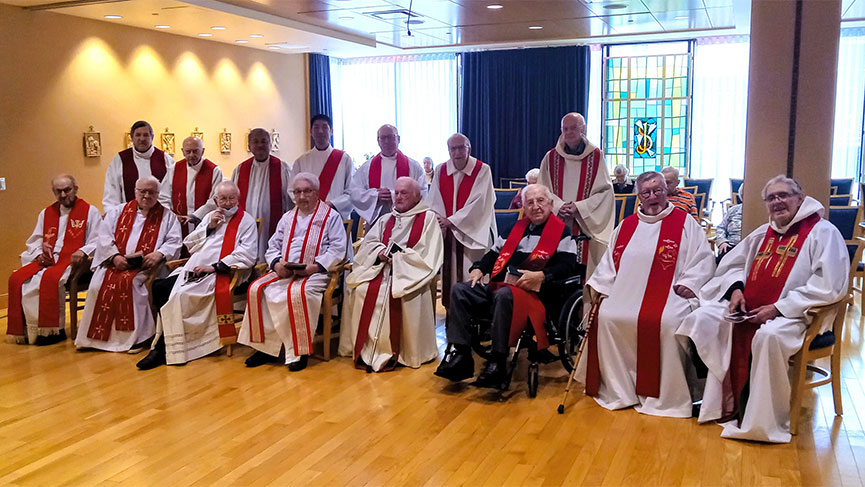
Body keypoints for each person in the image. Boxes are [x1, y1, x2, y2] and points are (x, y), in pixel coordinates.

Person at [677, 175, 849, 443]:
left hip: (799, 316)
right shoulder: (763, 233)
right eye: (771, 198)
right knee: (701, 318)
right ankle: (716, 403)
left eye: (784, 195)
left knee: (767, 337)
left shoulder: (823, 233)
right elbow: (733, 265)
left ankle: (762, 419)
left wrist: (778, 308)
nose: (778, 202)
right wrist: (736, 290)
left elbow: (829, 286)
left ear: (800, 199)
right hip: (751, 309)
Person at [577, 171, 714, 417]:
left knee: (666, 321)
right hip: (624, 295)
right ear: (638, 196)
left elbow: (703, 260)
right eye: (646, 192)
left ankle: (665, 395)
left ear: (667, 191)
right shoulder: (626, 227)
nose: (653, 196)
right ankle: (622, 390)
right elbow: (609, 264)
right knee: (606, 317)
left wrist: (691, 284)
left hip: (672, 294)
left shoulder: (685, 223)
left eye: (658, 190)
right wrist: (599, 287)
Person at [435, 184, 577, 387]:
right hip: (503, 288)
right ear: (524, 208)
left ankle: (498, 361)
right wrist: (478, 268)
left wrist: (543, 275)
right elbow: (493, 255)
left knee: (503, 295)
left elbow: (568, 265)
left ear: (551, 204)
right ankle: (461, 355)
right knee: (460, 290)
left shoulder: (562, 232)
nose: (536, 206)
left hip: (536, 295)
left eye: (541, 201)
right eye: (530, 202)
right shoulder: (514, 229)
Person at [136, 181, 258, 370]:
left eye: (231, 198)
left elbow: (247, 252)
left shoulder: (246, 221)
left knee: (178, 296)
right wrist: (209, 227)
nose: (227, 203)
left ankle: (164, 349)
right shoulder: (211, 216)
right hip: (193, 269)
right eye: (223, 198)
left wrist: (215, 267)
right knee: (160, 287)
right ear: (216, 200)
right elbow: (190, 244)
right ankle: (170, 340)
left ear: (238, 198)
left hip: (221, 273)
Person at [238, 173, 347, 371]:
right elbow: (273, 246)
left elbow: (338, 249)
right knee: (257, 289)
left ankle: (299, 352)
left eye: (307, 191)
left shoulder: (331, 217)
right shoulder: (287, 218)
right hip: (286, 271)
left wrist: (313, 267)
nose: (302, 196)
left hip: (316, 273)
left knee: (298, 294)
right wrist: (277, 264)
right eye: (297, 192)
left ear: (317, 192)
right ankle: (265, 348)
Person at [340, 177, 443, 372]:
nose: (399, 197)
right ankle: (366, 349)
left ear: (417, 196)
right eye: (397, 193)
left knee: (397, 295)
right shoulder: (387, 218)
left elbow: (429, 254)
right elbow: (368, 244)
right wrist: (379, 252)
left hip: (410, 275)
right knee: (359, 289)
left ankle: (405, 351)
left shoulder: (428, 219)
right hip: (380, 269)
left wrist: (399, 258)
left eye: (404, 193)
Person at [75, 177, 182, 352]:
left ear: (158, 194)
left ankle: (137, 339)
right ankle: (94, 339)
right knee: (96, 286)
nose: (146, 196)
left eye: (151, 192)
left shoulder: (167, 216)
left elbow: (174, 241)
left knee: (131, 285)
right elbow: (104, 237)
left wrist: (159, 254)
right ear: (135, 191)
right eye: (143, 191)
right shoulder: (118, 211)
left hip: (147, 267)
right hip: (115, 264)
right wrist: (114, 256)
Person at [7, 175, 102, 345]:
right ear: (54, 192)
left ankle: (52, 330)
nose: (64, 195)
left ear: (75, 189)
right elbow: (35, 239)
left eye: (67, 190)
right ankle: (30, 331)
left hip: (73, 260)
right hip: (49, 258)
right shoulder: (47, 213)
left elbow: (98, 239)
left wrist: (83, 250)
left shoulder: (90, 212)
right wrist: (38, 254)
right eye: (59, 191)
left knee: (48, 279)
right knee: (19, 280)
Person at [194, 128, 292, 263]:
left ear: (270, 144)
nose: (260, 145)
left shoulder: (283, 168)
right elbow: (228, 196)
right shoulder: (240, 169)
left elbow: (291, 200)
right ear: (249, 145)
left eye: (264, 141)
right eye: (255, 142)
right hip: (245, 225)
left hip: (273, 225)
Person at [538, 112, 614, 278]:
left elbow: (604, 192)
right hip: (557, 219)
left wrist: (579, 207)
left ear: (583, 129)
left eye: (573, 128)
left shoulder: (595, 156)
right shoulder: (551, 157)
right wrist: (559, 206)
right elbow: (541, 189)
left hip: (585, 224)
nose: (569, 132)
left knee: (582, 271)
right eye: (565, 129)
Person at [427, 133, 496, 308]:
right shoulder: (441, 170)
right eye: (453, 148)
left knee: (470, 270)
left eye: (460, 148)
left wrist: (453, 221)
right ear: (448, 151)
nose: (457, 152)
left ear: (469, 149)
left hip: (473, 232)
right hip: (448, 233)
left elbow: (481, 201)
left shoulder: (482, 169)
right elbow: (434, 199)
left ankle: (475, 314)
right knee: (450, 274)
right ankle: (452, 313)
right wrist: (442, 221)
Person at [349, 124, 427, 227]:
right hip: (376, 221)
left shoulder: (413, 166)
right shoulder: (367, 167)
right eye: (383, 138)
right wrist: (375, 196)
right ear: (378, 141)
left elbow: (422, 193)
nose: (387, 141)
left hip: (407, 221)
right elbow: (354, 192)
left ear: (398, 139)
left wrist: (393, 195)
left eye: (390, 137)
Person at [157, 136, 223, 239]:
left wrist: (194, 216)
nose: (191, 155)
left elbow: (214, 199)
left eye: (195, 151)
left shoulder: (214, 170)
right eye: (188, 151)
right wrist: (172, 217)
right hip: (178, 224)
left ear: (203, 151)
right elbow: (163, 197)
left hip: (204, 222)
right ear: (182, 151)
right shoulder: (174, 169)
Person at [290, 114, 354, 219]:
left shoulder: (344, 159)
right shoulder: (301, 161)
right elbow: (292, 189)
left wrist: (332, 204)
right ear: (311, 132)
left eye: (324, 127)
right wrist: (307, 203)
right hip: (308, 216)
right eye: (316, 127)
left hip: (335, 215)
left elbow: (352, 191)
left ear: (331, 131)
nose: (320, 131)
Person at [103, 120, 175, 211]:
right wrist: (113, 216)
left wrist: (163, 214)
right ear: (132, 137)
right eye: (138, 135)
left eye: (145, 135)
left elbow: (170, 192)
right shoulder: (120, 160)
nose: (142, 139)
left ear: (152, 137)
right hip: (128, 217)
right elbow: (111, 192)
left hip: (159, 217)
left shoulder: (166, 160)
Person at [715, 183, 744, 262]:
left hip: (750, 247)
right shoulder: (733, 210)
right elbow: (721, 228)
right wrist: (722, 242)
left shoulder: (760, 212)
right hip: (730, 245)